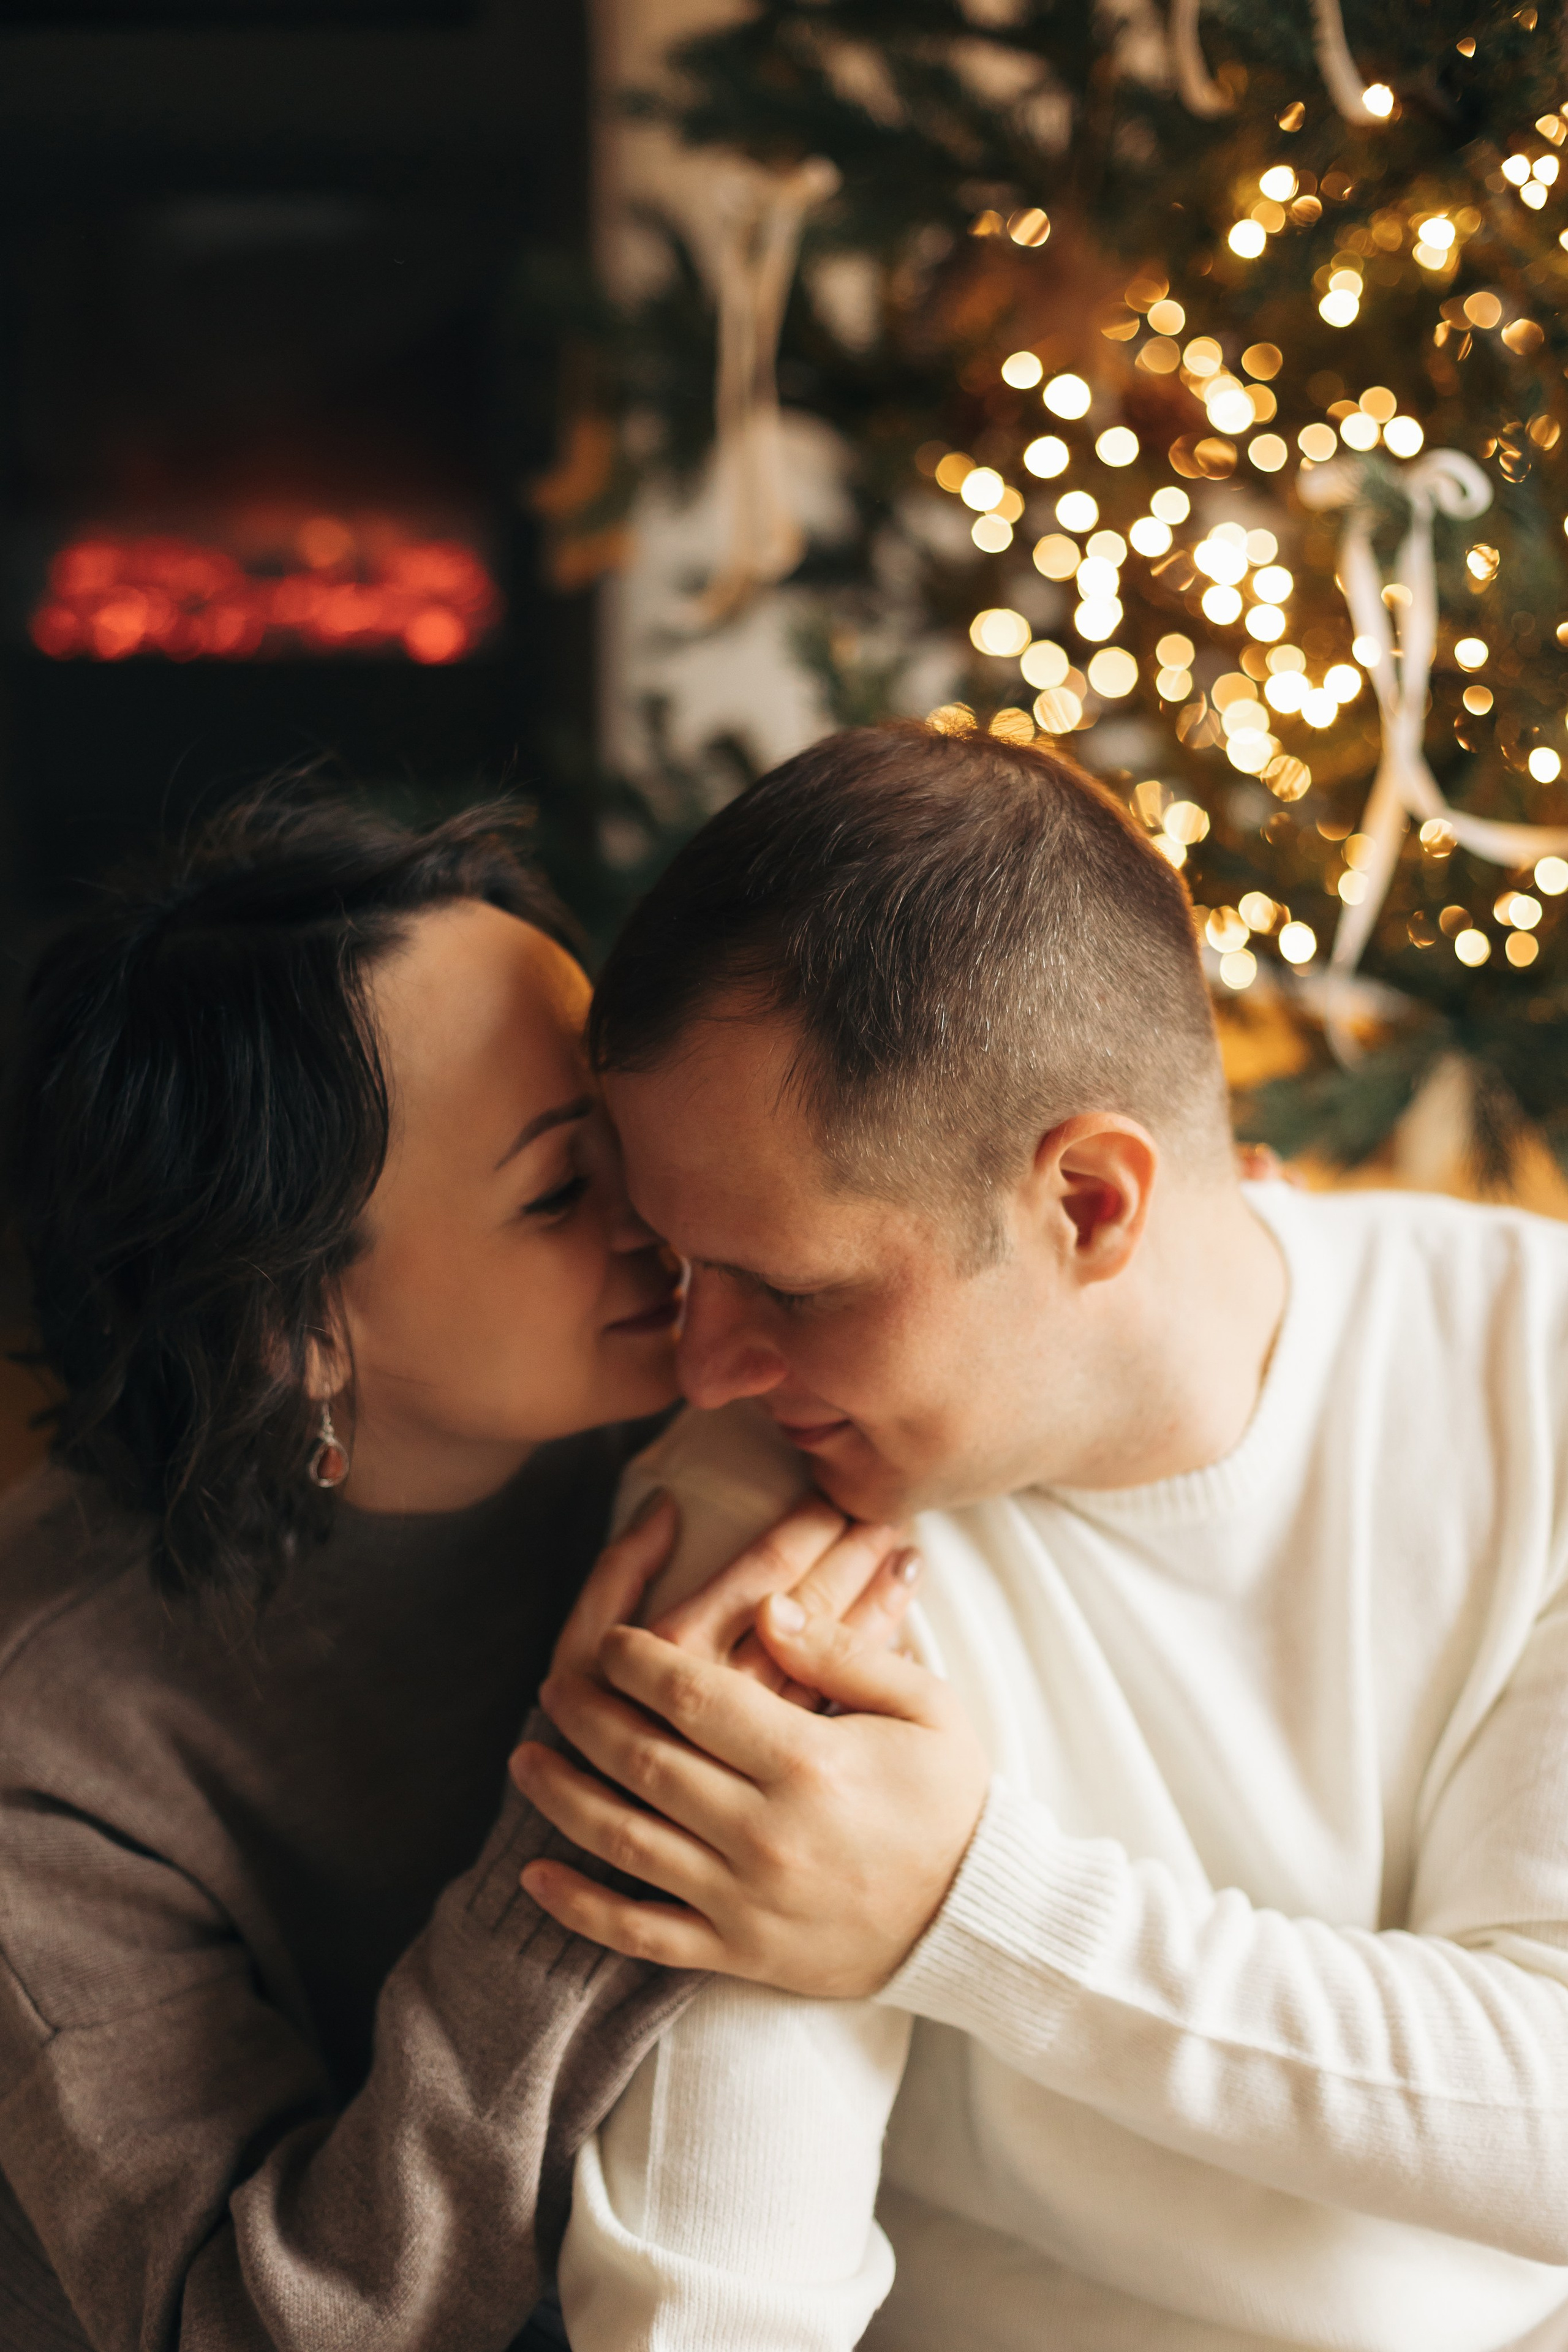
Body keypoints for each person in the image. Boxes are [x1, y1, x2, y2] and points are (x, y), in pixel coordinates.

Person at [511, 722, 1568, 2352]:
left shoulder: (1537, 1375)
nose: (702, 1366)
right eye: (676, 1262)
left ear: (1089, 1203)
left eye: (792, 1288)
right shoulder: (759, 1519)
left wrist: (967, 1906)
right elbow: (708, 2306)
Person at [0, 790, 913, 2352]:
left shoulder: (700, 1412)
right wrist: (585, 1822)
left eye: (632, 1132)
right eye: (566, 1189)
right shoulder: (54, 1746)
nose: (673, 1218)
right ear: (295, 1330)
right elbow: (244, 2326)